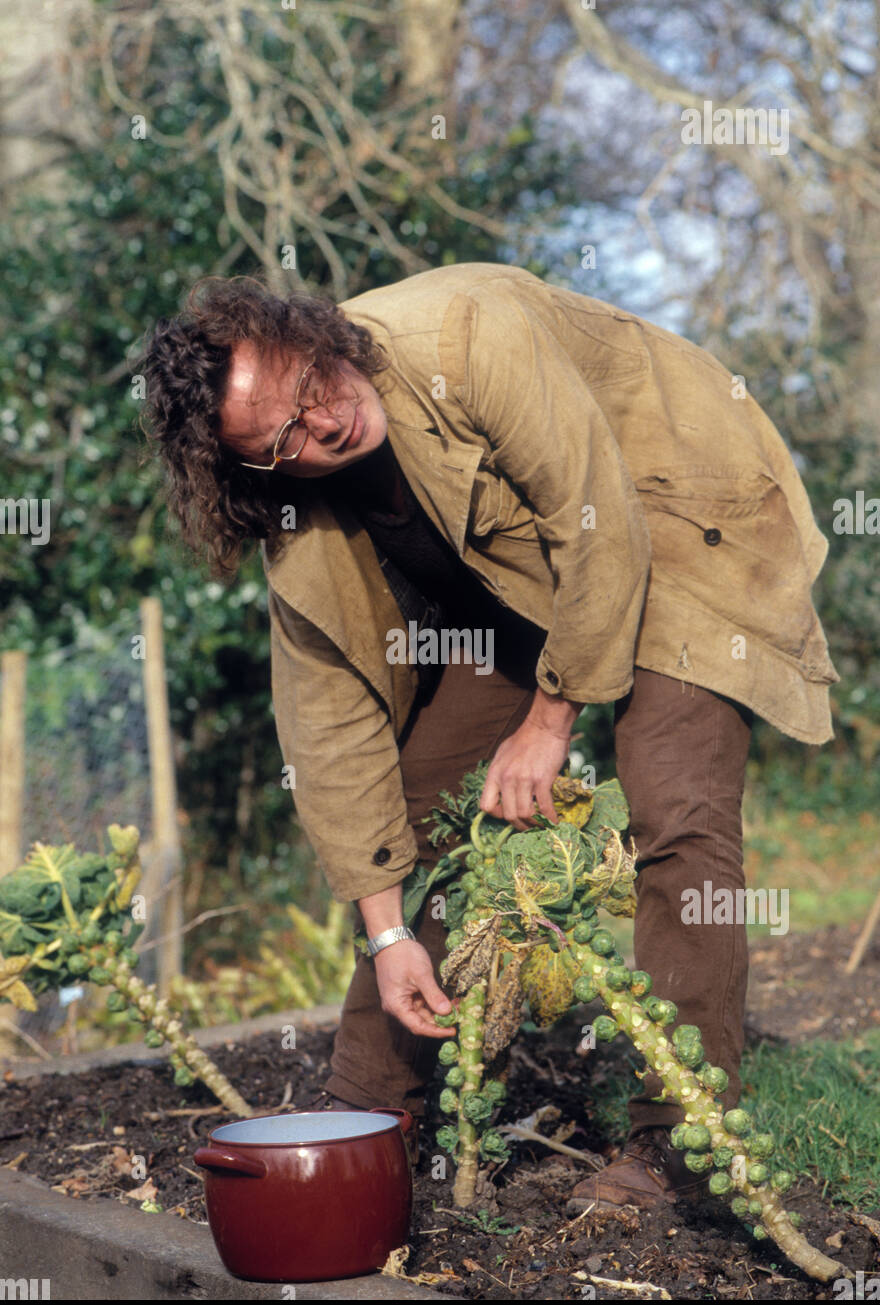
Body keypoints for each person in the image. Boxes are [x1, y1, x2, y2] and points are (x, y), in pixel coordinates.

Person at [141, 261, 837, 1211]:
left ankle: (682, 1146)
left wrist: (550, 721)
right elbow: (330, 726)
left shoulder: (469, 334)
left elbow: (600, 525)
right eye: (283, 439)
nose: (325, 423)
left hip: (673, 510)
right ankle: (367, 1118)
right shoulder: (300, 520)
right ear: (249, 473)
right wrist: (388, 935)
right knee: (421, 809)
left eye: (310, 386)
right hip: (525, 577)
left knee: (676, 809)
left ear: (311, 335)